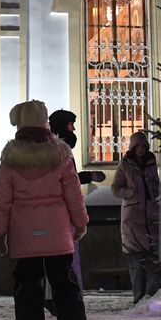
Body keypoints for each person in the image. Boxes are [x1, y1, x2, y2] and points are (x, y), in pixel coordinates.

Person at [0, 101, 89, 320]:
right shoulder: (61, 153)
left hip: (24, 232)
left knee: (27, 281)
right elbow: (74, 195)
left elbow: (1, 200)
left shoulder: (10, 158)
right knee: (64, 279)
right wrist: (81, 222)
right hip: (57, 230)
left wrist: (0, 232)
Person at [44, 110, 103, 309]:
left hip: (55, 212)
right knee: (62, 256)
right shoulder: (59, 149)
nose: (74, 128)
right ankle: (61, 298)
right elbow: (66, 181)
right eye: (71, 124)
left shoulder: (53, 147)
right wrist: (87, 177)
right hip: (61, 212)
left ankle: (55, 297)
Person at [110, 131, 161, 303]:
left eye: (143, 146)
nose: (140, 150)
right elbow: (115, 188)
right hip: (133, 218)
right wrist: (131, 193)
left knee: (153, 259)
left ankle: (151, 297)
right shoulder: (125, 164)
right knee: (136, 259)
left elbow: (156, 184)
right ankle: (139, 298)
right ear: (133, 147)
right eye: (137, 146)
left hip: (152, 215)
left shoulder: (151, 162)